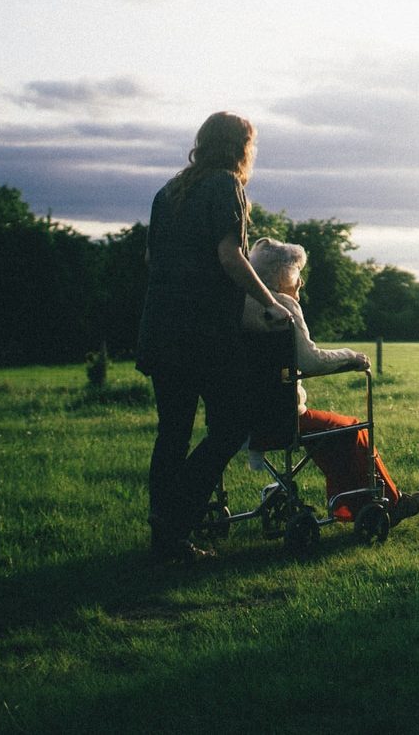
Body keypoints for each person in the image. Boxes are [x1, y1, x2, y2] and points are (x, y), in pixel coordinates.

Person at [135, 111, 292, 562]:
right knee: (231, 426)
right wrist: (270, 302)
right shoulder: (226, 186)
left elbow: (152, 257)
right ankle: (175, 518)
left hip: (160, 328)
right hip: (201, 333)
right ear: (241, 147)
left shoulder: (169, 191)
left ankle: (166, 539)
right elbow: (230, 256)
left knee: (173, 433)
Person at [241, 237, 419, 525]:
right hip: (281, 417)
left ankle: (353, 505)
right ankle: (390, 502)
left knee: (330, 433)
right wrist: (351, 356)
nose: (301, 283)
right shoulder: (283, 306)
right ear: (281, 276)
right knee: (352, 428)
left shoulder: (243, 305)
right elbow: (311, 361)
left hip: (244, 417)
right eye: (297, 275)